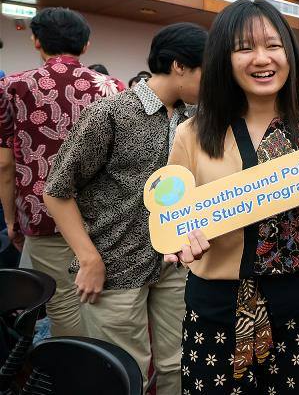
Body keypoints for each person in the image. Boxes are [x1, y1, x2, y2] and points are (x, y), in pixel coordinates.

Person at [165, 0, 299, 395]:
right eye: (244, 47)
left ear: (290, 54)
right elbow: (173, 221)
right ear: (223, 59)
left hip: (297, 306)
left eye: (273, 45)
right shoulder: (192, 134)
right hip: (216, 306)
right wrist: (179, 244)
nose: (262, 58)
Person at [43, 22, 207, 393]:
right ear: (179, 66)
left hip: (175, 263)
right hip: (114, 264)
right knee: (123, 372)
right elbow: (56, 191)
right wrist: (89, 259)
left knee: (179, 363)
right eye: (208, 72)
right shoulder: (111, 114)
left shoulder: (194, 119)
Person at [0, 7, 123, 337]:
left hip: (42, 216)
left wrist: (11, 219)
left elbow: (4, 164)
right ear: (86, 46)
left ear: (36, 41)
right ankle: (107, 368)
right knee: (103, 300)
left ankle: (74, 366)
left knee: (63, 304)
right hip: (103, 219)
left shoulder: (12, 88)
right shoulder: (114, 88)